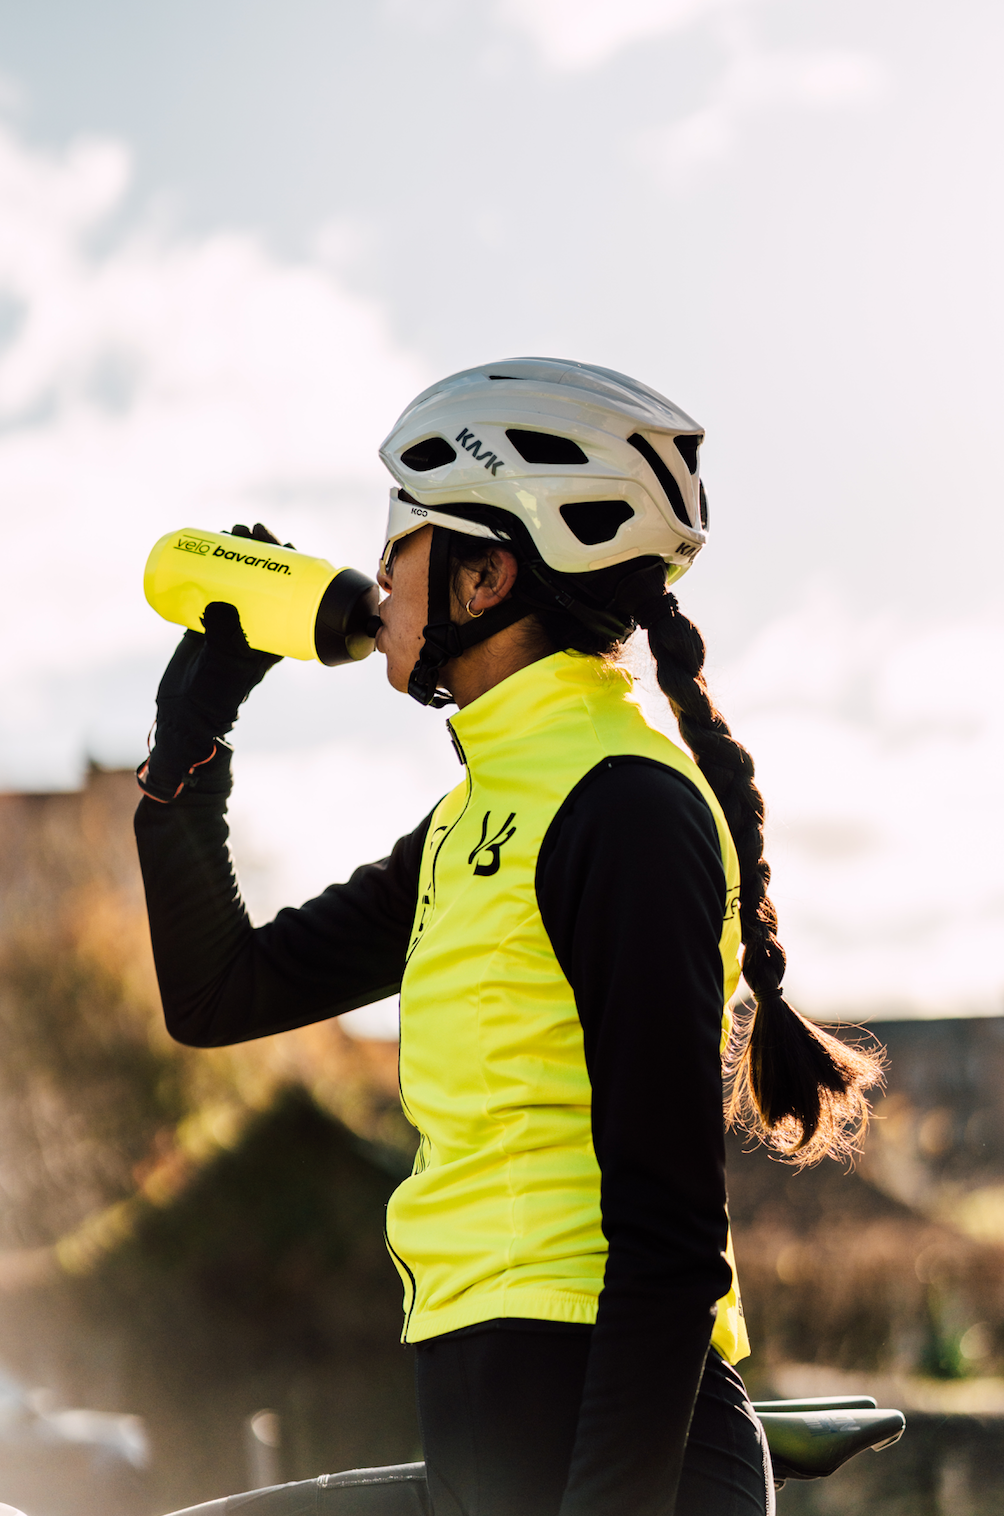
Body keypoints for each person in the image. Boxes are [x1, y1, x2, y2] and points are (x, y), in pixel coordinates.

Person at [135, 359, 882, 1516]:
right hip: (491, 1453)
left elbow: (670, 1234)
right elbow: (218, 993)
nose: (375, 571)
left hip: (626, 1471)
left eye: (402, 536)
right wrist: (190, 742)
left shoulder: (624, 806)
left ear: (484, 575)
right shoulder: (477, 821)